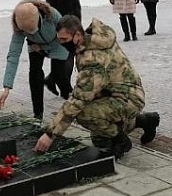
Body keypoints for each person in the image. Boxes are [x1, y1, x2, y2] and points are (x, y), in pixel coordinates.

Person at [33, 15, 160, 159]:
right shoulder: (93, 39)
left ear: (78, 35)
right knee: (99, 138)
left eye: (64, 40)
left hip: (128, 98)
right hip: (114, 93)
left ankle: (122, 141)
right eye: (59, 39)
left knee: (84, 114)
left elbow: (79, 98)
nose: (61, 43)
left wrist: (50, 134)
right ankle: (145, 121)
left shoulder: (93, 60)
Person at [0, 0, 71, 120]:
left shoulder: (52, 15)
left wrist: (44, 47)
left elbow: (66, 37)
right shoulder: (19, 28)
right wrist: (7, 87)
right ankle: (38, 114)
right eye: (27, 32)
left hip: (57, 43)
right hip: (34, 46)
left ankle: (74, 103)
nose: (30, 32)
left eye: (32, 30)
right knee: (35, 73)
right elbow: (13, 55)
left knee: (59, 75)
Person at [41, 0, 81, 98]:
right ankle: (65, 87)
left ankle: (53, 80)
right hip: (65, 22)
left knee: (62, 52)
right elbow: (65, 3)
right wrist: (70, 24)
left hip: (58, 20)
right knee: (68, 53)